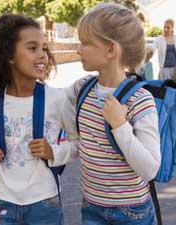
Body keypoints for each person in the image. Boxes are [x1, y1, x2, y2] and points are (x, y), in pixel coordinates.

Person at [0, 13, 78, 225]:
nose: (42, 55)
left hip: (45, 204)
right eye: (32, 48)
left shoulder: (56, 99)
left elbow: (78, 143)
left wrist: (54, 152)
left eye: (44, 49)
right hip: (2, 202)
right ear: (9, 55)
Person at [65, 3, 161, 225]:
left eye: (86, 43)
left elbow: (150, 169)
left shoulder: (140, 100)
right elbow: (48, 100)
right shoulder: (82, 88)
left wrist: (120, 125)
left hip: (132, 212)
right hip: (91, 207)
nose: (79, 50)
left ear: (110, 50)